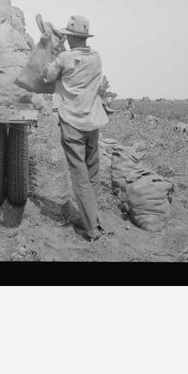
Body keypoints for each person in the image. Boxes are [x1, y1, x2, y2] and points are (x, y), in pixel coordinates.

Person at [41, 15, 109, 241]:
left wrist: (50, 51)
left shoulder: (64, 58)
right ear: (85, 38)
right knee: (92, 173)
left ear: (71, 37)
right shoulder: (96, 57)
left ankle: (90, 228)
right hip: (92, 122)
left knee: (79, 176)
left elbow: (48, 75)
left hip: (72, 122)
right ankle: (94, 218)